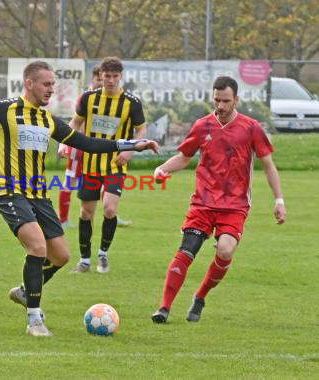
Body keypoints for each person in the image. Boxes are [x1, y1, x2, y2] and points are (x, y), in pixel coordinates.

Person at [0, 61, 158, 336]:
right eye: (47, 84)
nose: (52, 89)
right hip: (10, 192)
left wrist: (133, 144)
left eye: (54, 84)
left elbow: (87, 143)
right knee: (38, 248)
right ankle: (34, 320)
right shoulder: (4, 109)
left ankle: (25, 291)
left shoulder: (47, 119)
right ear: (30, 84)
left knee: (62, 256)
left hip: (39, 196)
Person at [151, 76, 287, 324]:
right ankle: (164, 308)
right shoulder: (203, 126)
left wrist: (279, 200)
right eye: (217, 100)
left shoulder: (251, 128)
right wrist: (163, 169)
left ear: (236, 99)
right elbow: (184, 157)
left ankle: (200, 296)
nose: (221, 106)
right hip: (203, 203)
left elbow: (268, 165)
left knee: (225, 250)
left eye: (226, 101)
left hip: (234, 206)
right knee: (186, 251)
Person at [66, 57, 147, 274]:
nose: (110, 80)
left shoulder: (132, 102)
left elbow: (141, 130)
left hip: (115, 164)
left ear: (121, 76)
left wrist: (130, 149)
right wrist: (66, 142)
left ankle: (102, 254)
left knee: (110, 209)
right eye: (107, 76)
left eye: (115, 76)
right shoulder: (88, 98)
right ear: (100, 76)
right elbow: (75, 122)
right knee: (86, 213)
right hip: (91, 163)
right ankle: (84, 260)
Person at [57, 66, 132, 229]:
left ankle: (111, 214)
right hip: (81, 148)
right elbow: (76, 122)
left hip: (101, 149)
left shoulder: (111, 99)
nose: (104, 82)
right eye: (100, 79)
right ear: (95, 79)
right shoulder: (86, 98)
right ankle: (62, 219)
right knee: (70, 182)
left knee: (108, 179)